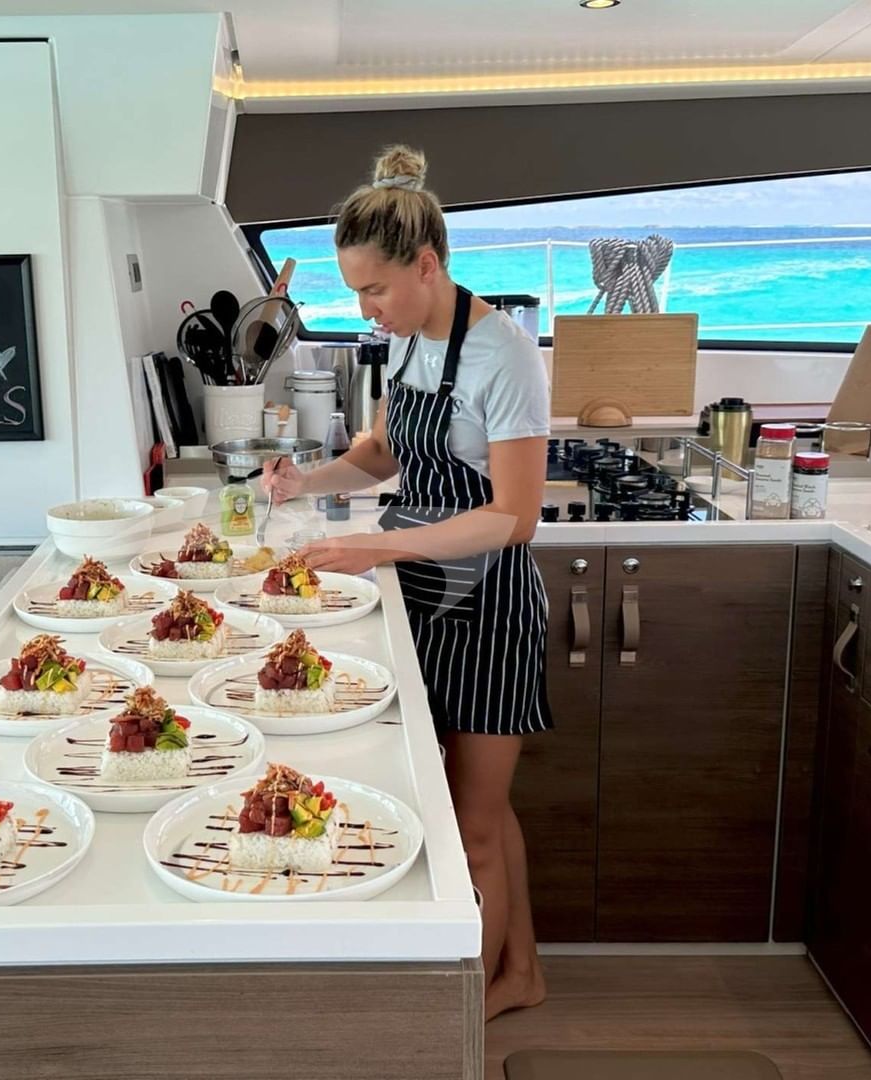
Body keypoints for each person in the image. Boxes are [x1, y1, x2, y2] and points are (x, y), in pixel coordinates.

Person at [264, 145, 551, 1020]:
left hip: (488, 606)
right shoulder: (411, 344)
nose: (367, 309)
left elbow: (515, 516)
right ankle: (522, 973)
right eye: (357, 292)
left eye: (375, 289)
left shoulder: (503, 355)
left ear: (427, 265)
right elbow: (384, 454)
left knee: (472, 824)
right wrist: (306, 482)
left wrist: (377, 550)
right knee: (473, 807)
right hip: (422, 594)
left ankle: (471, 1013)